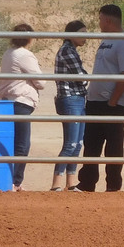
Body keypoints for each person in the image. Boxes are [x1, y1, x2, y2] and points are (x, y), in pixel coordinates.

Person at [77, 4, 124, 193]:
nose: (99, 23)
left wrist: (114, 100)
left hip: (114, 104)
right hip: (96, 102)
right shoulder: (106, 41)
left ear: (108, 20)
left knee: (113, 144)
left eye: (100, 19)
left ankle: (113, 186)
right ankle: (87, 183)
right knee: (91, 143)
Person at [0, 24, 45, 192]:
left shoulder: (8, 53)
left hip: (8, 101)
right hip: (20, 102)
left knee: (13, 143)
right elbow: (41, 82)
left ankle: (10, 180)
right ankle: (15, 182)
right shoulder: (25, 55)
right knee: (22, 144)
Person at [51, 19, 88, 192]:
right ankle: (56, 184)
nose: (85, 37)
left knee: (77, 142)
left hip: (76, 98)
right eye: (82, 33)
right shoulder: (67, 51)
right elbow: (82, 76)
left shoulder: (70, 50)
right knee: (71, 143)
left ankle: (70, 183)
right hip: (71, 98)